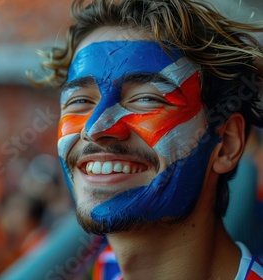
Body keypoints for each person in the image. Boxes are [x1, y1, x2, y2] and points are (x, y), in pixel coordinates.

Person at [29, 0, 263, 279]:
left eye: (145, 99)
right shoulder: (105, 269)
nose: (95, 128)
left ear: (226, 144)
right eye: (80, 101)